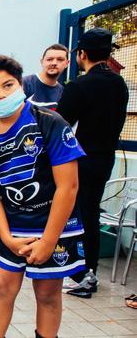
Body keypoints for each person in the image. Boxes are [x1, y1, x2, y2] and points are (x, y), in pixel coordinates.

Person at [0, 55, 86, 338]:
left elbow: (68, 187)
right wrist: (7, 236)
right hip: (11, 229)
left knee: (48, 294)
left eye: (8, 85)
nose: (1, 94)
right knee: (1, 289)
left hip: (55, 228)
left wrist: (48, 241)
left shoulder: (51, 122)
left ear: (20, 84)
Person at [58, 28, 129, 298]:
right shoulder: (119, 84)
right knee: (91, 213)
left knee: (76, 216)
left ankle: (81, 275)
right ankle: (89, 272)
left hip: (80, 160)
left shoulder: (79, 85)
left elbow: (60, 124)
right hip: (105, 159)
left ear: (82, 54)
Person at [23, 44, 69, 110]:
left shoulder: (62, 93)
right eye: (49, 59)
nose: (54, 63)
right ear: (42, 62)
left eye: (60, 59)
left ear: (67, 63)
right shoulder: (25, 83)